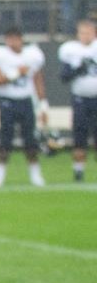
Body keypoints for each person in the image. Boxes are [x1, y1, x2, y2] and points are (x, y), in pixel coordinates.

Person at [0, 28, 47, 187]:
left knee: (30, 140)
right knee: (5, 140)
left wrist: (43, 106)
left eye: (15, 38)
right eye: (9, 39)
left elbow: (38, 80)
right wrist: (16, 73)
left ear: (21, 39)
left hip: (26, 101)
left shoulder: (32, 55)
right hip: (7, 100)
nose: (13, 42)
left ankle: (35, 175)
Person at [58, 17, 97, 181]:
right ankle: (78, 171)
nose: (85, 36)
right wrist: (79, 68)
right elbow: (64, 76)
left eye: (88, 32)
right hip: (80, 98)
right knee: (79, 136)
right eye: (82, 32)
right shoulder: (71, 50)